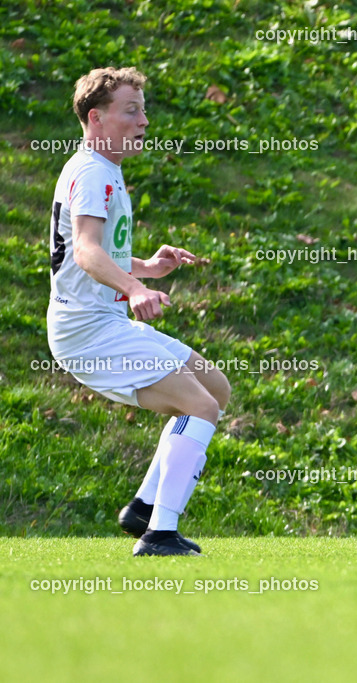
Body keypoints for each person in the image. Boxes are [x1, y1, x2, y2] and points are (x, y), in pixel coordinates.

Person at [47, 66, 230, 556]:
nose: (144, 120)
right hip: (87, 331)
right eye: (132, 110)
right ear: (96, 119)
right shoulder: (91, 173)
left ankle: (146, 508)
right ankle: (159, 535)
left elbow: (87, 252)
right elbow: (85, 251)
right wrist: (132, 288)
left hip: (99, 323)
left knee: (215, 387)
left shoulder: (103, 170)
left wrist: (147, 267)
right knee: (201, 407)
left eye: (143, 109)